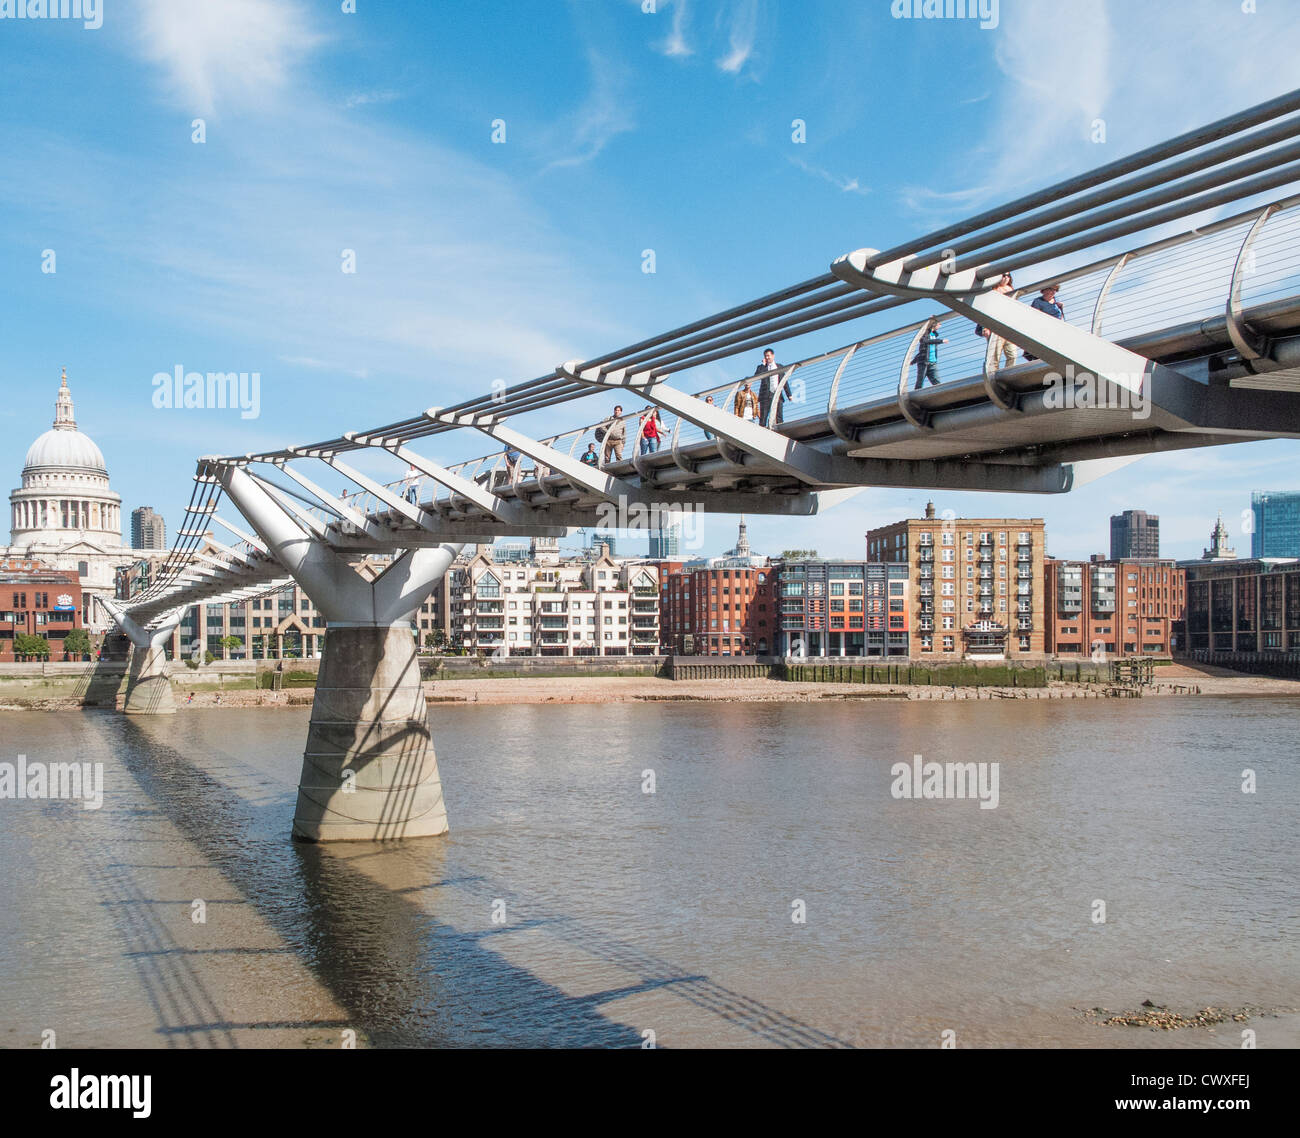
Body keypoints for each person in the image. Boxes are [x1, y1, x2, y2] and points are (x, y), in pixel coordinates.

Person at [977, 273, 1018, 371]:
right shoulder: (992, 291)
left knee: (1012, 355)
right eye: (1004, 275)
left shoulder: (1011, 290)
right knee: (995, 356)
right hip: (995, 327)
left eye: (1008, 276)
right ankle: (993, 376)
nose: (1006, 278)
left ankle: (1009, 374)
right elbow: (986, 310)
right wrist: (985, 327)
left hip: (1009, 326)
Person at [1023, 284, 1065, 362]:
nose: (1053, 292)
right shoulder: (1038, 301)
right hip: (1043, 329)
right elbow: (1034, 316)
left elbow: (1060, 317)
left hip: (1055, 329)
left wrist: (1061, 308)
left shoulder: (1057, 300)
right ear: (1044, 290)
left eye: (1055, 290)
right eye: (1051, 289)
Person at [753, 347, 788, 426]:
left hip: (777, 394)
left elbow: (784, 381)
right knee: (763, 417)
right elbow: (757, 376)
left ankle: (780, 432)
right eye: (765, 356)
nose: (767, 357)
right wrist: (763, 365)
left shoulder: (779, 366)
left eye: (768, 356)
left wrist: (789, 394)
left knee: (779, 416)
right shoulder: (762, 367)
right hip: (765, 395)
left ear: (773, 356)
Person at [912, 317, 948, 389]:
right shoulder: (924, 334)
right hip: (923, 362)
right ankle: (917, 396)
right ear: (934, 325)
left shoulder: (934, 335)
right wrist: (941, 341)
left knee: (937, 383)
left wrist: (913, 360)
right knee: (920, 382)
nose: (940, 325)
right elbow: (925, 342)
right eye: (939, 324)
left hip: (933, 362)